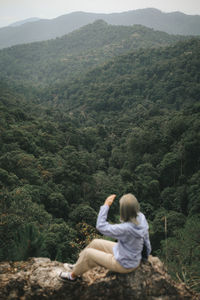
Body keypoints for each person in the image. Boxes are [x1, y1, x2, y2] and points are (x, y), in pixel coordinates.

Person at [59, 193, 151, 281]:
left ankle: (72, 276)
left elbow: (100, 226)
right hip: (129, 255)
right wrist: (144, 258)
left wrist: (106, 205)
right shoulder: (141, 217)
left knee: (88, 253)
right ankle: (78, 265)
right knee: (95, 242)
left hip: (124, 264)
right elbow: (146, 240)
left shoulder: (126, 228)